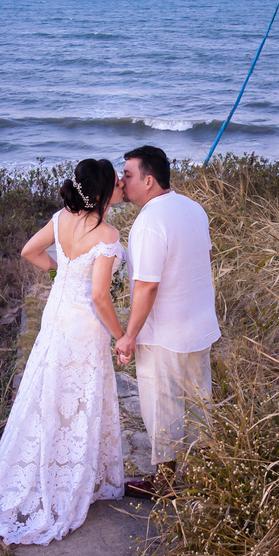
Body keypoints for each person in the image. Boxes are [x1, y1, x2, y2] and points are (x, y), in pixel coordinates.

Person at [0, 159, 126, 547]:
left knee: (48, 392)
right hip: (85, 325)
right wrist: (120, 334)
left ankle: (51, 468)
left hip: (56, 318)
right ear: (103, 194)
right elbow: (99, 295)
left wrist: (61, 273)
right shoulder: (107, 235)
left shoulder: (60, 219)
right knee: (80, 396)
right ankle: (70, 477)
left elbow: (29, 251)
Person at [114, 146, 220, 498]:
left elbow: (146, 285)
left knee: (162, 407)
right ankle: (206, 478)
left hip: (165, 331)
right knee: (199, 402)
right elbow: (203, 258)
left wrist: (129, 335)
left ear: (148, 179)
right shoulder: (193, 208)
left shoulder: (148, 221)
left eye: (128, 175)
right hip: (199, 323)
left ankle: (164, 483)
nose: (122, 181)